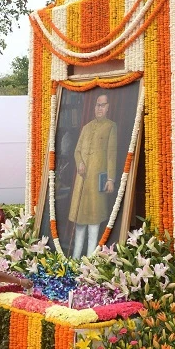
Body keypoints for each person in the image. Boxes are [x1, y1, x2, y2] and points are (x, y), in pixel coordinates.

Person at [69, 92, 120, 258]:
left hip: (97, 179)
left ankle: (90, 259)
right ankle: (75, 258)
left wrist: (111, 179)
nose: (99, 108)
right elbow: (77, 151)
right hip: (82, 182)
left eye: (103, 105)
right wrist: (80, 163)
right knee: (80, 220)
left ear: (108, 108)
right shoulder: (86, 127)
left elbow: (112, 155)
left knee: (94, 220)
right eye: (97, 105)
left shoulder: (111, 126)